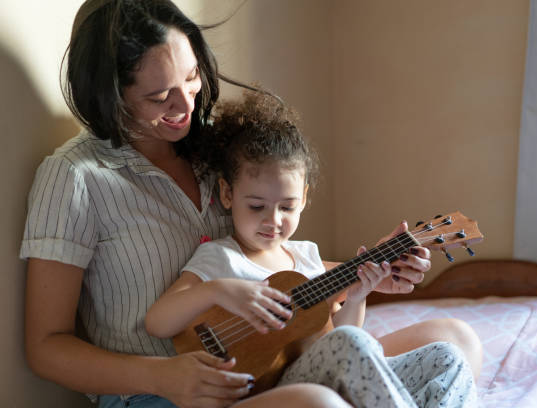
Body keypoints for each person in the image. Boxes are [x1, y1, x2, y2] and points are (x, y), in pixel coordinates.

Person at [20, 1, 481, 407]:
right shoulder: (75, 178)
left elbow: (272, 273)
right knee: (317, 404)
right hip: (161, 395)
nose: (185, 105)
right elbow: (45, 347)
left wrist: (372, 269)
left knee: (455, 339)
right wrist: (161, 376)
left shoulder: (220, 151)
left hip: (273, 366)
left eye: (192, 77)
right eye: (160, 96)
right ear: (109, 95)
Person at [145, 91, 479, 407]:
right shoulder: (221, 257)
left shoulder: (306, 257)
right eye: (257, 206)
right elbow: (158, 323)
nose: (273, 220)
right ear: (228, 194)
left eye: (286, 207)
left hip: (323, 378)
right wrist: (217, 290)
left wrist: (359, 294)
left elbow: (339, 340)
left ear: (304, 198)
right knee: (352, 345)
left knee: (447, 356)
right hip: (272, 393)